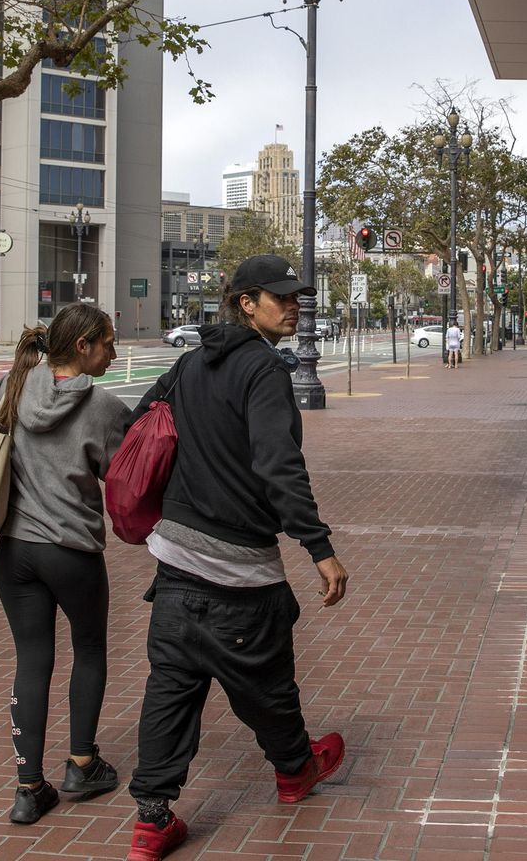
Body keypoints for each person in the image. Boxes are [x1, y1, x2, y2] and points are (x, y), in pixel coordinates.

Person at [122, 255, 350, 861]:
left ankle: (151, 823)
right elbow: (280, 465)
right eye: (280, 297)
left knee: (171, 686)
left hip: (174, 558)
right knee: (267, 679)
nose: (294, 304)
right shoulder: (265, 371)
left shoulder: (191, 361)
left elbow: (137, 424)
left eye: (297, 295)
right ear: (245, 303)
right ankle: (296, 769)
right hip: (237, 563)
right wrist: (318, 547)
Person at [0, 303, 130, 825]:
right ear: (85, 345)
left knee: (32, 661)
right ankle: (82, 764)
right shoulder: (104, 408)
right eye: (109, 343)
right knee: (88, 648)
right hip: (70, 551)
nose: (114, 352)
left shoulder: (11, 386)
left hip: (13, 551)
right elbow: (125, 474)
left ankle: (28, 790)